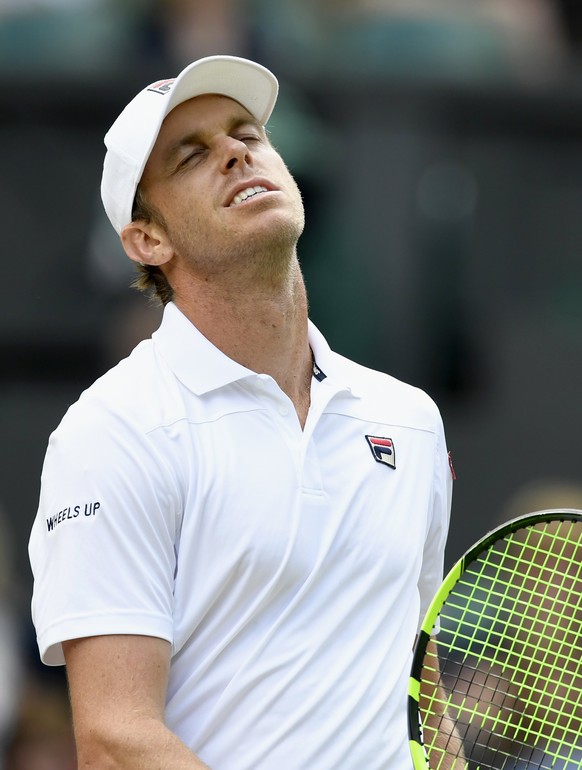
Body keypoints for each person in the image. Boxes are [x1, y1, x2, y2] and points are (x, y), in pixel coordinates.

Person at [28, 55, 455, 769]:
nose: (234, 152)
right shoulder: (111, 432)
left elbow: (419, 677)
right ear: (148, 240)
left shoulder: (409, 419)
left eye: (247, 135)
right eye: (192, 156)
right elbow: (113, 739)